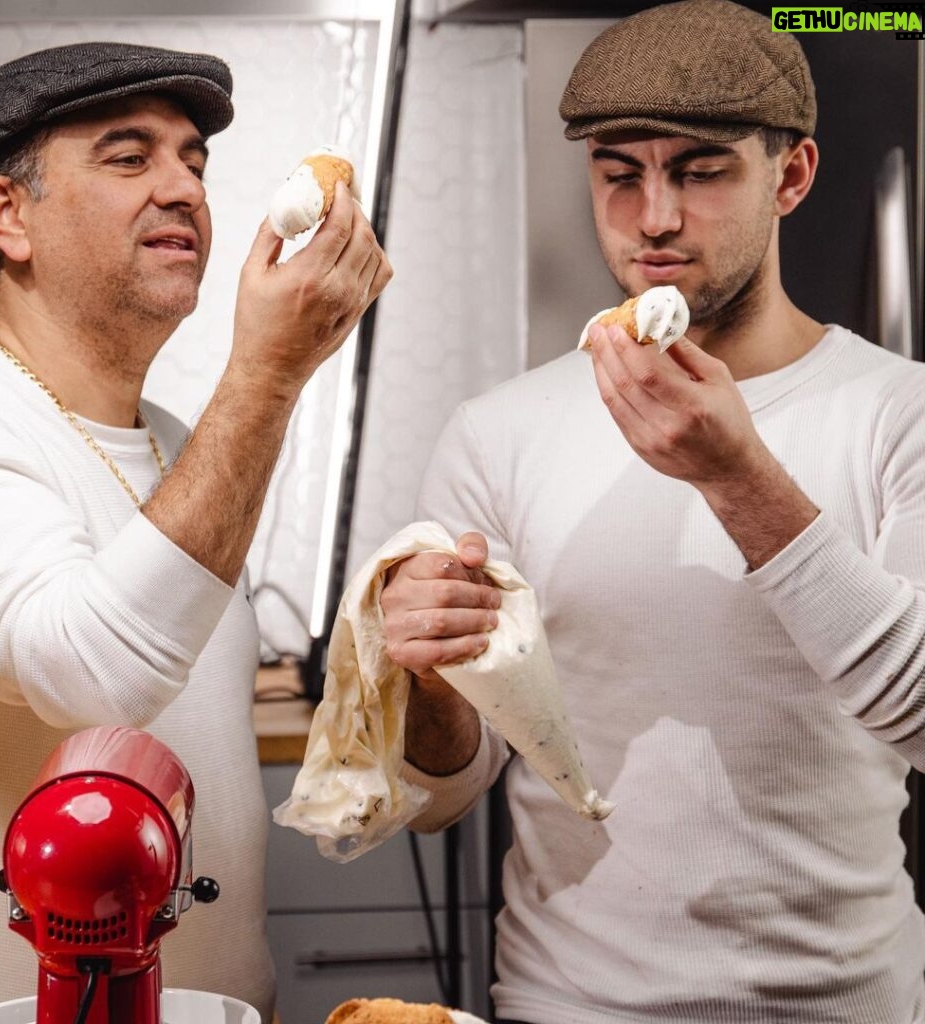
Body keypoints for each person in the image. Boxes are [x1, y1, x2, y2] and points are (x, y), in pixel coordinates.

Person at [378, 2, 925, 1021]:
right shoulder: (500, 432)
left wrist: (735, 476)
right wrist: (428, 677)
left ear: (791, 176)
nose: (655, 217)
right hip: (569, 1003)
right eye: (620, 173)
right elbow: (444, 792)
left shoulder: (899, 412)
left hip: (846, 1005)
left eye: (701, 171)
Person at [0, 41, 391, 1023]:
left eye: (194, 162)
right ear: (8, 215)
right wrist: (268, 374)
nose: (185, 189)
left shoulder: (176, 442)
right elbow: (94, 678)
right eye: (130, 157)